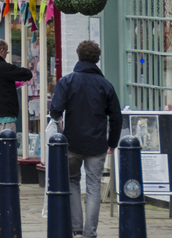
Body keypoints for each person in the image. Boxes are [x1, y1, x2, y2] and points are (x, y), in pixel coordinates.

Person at [50, 40, 122, 238]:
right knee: (93, 187)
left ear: (79, 56)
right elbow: (116, 116)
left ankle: (76, 229)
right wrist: (112, 143)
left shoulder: (67, 81)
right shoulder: (105, 84)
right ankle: (90, 233)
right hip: (97, 144)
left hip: (72, 142)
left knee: (72, 182)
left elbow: (55, 109)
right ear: (97, 59)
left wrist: (59, 124)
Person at [0, 38, 33, 192]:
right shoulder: (3, 67)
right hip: (3, 114)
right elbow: (26, 74)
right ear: (2, 50)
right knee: (1, 149)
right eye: (7, 51)